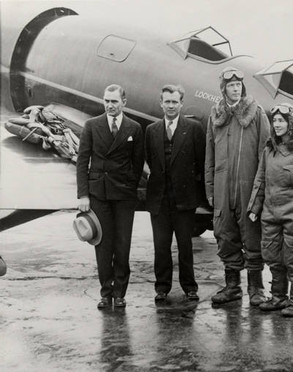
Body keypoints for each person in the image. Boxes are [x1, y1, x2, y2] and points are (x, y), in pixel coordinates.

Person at [205, 66, 270, 306]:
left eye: (238, 85)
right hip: (223, 189)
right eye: (230, 85)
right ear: (223, 89)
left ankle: (256, 289)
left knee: (252, 237)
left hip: (248, 189)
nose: (235, 89)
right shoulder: (216, 115)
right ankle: (232, 287)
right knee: (225, 235)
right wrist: (211, 189)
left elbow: (266, 154)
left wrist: (260, 192)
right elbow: (209, 156)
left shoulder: (257, 114)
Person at [248, 103, 293, 317]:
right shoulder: (269, 149)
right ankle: (278, 297)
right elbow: (260, 179)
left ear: (291, 124)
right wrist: (255, 207)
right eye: (275, 120)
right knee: (272, 256)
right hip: (270, 214)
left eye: (282, 120)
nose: (277, 124)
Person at [76, 84, 144, 309]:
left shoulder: (134, 128)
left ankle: (120, 293)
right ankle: (106, 292)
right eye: (106, 100)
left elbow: (137, 163)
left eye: (114, 101)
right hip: (99, 194)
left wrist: (130, 186)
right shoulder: (92, 126)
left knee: (123, 245)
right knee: (103, 245)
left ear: (124, 102)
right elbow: (82, 162)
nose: (109, 105)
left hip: (124, 195)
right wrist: (83, 194)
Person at [144, 84, 205, 303]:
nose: (171, 106)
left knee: (185, 246)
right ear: (161, 103)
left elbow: (200, 162)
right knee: (161, 246)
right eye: (167, 101)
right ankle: (162, 287)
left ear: (181, 103)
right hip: (159, 200)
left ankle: (189, 287)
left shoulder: (194, 128)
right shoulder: (151, 131)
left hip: (184, 200)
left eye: (175, 101)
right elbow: (150, 160)